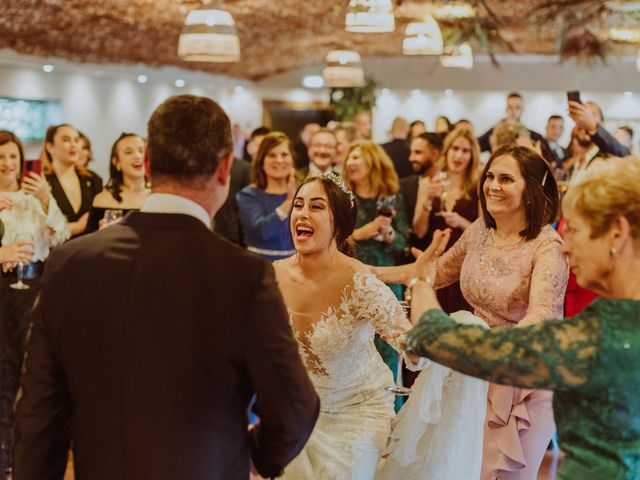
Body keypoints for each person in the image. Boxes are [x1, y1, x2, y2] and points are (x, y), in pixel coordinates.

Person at [13, 95, 319, 480]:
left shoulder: (71, 262)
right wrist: (252, 457)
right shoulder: (244, 275)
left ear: (150, 164)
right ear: (225, 168)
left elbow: (38, 412)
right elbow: (295, 407)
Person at [406, 155, 640, 480]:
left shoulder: (604, 336)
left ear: (617, 234)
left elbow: (452, 342)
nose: (566, 246)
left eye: (574, 230)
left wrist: (421, 283)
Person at [405, 144, 569, 479]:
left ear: (531, 191)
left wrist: (481, 349)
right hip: (474, 372)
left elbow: (540, 313)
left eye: (506, 179)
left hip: (523, 378)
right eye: (490, 176)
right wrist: (359, 273)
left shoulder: (547, 247)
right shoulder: (480, 229)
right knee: (461, 467)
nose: (492, 185)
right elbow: (435, 272)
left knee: (500, 473)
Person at [275, 174, 419, 479]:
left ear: (338, 224)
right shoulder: (273, 276)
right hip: (298, 414)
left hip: (357, 413)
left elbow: (412, 350)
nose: (302, 213)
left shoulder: (359, 283)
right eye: (298, 204)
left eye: (316, 207)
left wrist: (414, 347)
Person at [0, 130, 68, 474]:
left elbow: (63, 236)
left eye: (13, 156)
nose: (7, 164)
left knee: (30, 375)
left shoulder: (33, 196)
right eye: (1, 157)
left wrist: (45, 200)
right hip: (2, 291)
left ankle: (24, 457)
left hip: (33, 286)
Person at [343, 141, 409, 408]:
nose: (350, 162)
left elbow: (404, 238)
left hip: (386, 280)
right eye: (349, 157)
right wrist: (364, 231)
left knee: (387, 349)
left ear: (373, 161)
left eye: (356, 156)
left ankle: (388, 413)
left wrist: (390, 234)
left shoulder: (391, 196)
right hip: (350, 275)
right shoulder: (343, 197)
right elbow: (333, 238)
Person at [412, 127, 481, 313]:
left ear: (472, 155)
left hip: (464, 265)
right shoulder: (430, 182)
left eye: (465, 151)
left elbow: (486, 232)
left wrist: (461, 222)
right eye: (455, 149)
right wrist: (426, 201)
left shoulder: (478, 185)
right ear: (447, 151)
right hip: (433, 261)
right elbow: (419, 231)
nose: (459, 155)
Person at [237, 131, 297, 261]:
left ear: (292, 158)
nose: (279, 160)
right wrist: (288, 203)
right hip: (259, 266)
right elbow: (262, 232)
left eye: (284, 154)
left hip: (297, 267)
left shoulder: (302, 193)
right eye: (272, 155)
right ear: (261, 161)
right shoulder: (248, 195)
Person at [42, 124, 102, 236]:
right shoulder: (41, 182)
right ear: (50, 147)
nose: (73, 144)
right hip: (58, 251)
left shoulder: (93, 179)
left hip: (92, 248)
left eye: (76, 140)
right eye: (66, 140)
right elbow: (43, 231)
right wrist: (78, 227)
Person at [87, 133, 151, 232]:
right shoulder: (102, 199)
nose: (138, 156)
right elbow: (89, 242)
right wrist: (100, 235)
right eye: (128, 152)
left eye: (141, 151)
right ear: (116, 162)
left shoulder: (158, 196)